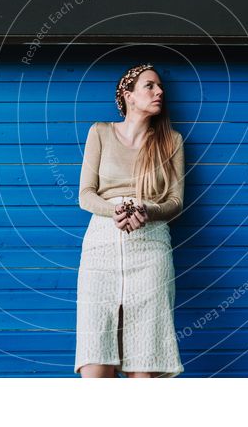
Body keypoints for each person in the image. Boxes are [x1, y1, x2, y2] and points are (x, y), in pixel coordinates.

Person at [74, 63, 185, 378]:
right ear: (128, 95)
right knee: (96, 360)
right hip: (101, 247)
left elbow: (176, 202)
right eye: (150, 86)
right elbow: (86, 194)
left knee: (145, 361)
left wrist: (146, 211)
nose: (159, 92)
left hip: (150, 250)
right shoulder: (100, 132)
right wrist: (117, 212)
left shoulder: (171, 140)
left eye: (159, 86)